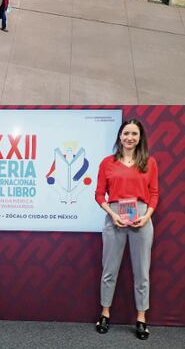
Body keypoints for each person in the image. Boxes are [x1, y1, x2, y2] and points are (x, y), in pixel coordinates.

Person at [95, 119, 159, 341]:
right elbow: (98, 194)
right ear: (119, 136)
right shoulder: (107, 163)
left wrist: (147, 216)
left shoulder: (149, 163)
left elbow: (154, 193)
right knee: (109, 270)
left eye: (134, 134)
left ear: (140, 137)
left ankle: (141, 318)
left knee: (142, 272)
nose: (130, 137)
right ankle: (105, 313)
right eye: (126, 133)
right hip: (115, 216)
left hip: (141, 218)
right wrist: (112, 215)